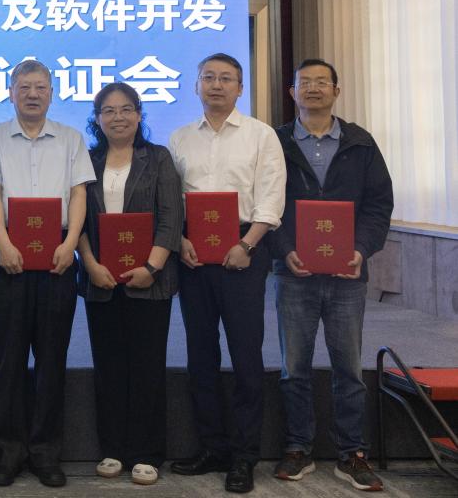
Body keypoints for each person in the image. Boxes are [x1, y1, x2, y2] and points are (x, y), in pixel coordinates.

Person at [270, 59, 393, 492]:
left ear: (336, 91)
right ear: (292, 92)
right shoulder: (275, 142)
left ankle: (352, 453)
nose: (314, 88)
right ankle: (297, 448)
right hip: (293, 273)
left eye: (322, 82)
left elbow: (378, 204)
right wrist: (284, 250)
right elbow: (265, 202)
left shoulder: (360, 142)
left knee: (349, 368)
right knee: (294, 367)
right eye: (305, 82)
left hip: (348, 275)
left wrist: (361, 249)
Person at [0, 59, 94, 488]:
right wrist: (3, 242)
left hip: (59, 253)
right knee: (7, 358)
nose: (32, 94)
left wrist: (70, 243)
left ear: (51, 93)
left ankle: (45, 454)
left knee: (51, 358)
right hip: (9, 251)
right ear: (10, 92)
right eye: (24, 87)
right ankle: (7, 453)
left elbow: (78, 195)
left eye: (40, 87)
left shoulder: (71, 138)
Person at [169, 53, 285, 494]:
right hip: (193, 254)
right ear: (196, 85)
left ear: (240, 88)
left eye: (226, 79)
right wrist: (180, 241)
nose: (216, 85)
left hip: (244, 250)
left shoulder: (260, 135)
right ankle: (212, 447)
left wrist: (248, 244)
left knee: (245, 355)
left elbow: (271, 197)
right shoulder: (180, 138)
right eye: (208, 77)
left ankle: (244, 455)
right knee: (200, 354)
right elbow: (172, 200)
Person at [75, 82, 183, 487]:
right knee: (109, 367)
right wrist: (89, 264)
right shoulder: (86, 161)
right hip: (100, 279)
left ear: (139, 115)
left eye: (125, 109)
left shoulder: (158, 158)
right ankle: (113, 449)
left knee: (147, 366)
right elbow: (78, 220)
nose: (117, 117)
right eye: (108, 111)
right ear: (97, 119)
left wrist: (151, 267)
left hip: (149, 280)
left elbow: (171, 218)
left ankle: (146, 452)